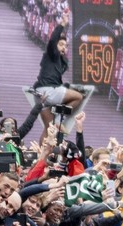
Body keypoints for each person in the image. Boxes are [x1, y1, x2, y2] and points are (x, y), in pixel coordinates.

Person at [32, 12, 84, 143]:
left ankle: (40, 156)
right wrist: (63, 24)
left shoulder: (61, 61)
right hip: (47, 91)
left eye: (66, 46)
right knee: (78, 97)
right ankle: (59, 117)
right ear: (55, 45)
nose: (64, 48)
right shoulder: (51, 54)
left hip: (40, 95)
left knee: (48, 129)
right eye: (61, 44)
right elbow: (53, 39)